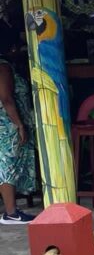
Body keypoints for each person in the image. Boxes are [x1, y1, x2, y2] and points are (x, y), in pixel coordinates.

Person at [0, 30, 37, 224]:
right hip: (7, 124)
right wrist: (19, 124)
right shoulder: (3, 66)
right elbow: (6, 98)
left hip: (4, 123)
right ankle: (11, 212)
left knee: (6, 163)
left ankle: (11, 210)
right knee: (7, 164)